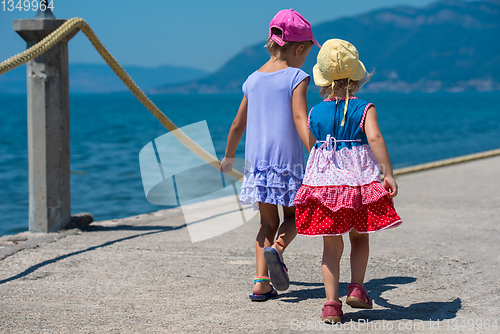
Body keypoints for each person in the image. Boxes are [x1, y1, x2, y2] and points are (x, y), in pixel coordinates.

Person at [292, 39, 402, 322]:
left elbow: (314, 143)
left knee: (331, 245)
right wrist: (387, 172)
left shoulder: (316, 112)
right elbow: (375, 138)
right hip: (357, 182)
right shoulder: (365, 108)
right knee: (359, 235)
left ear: (323, 79)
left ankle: (331, 304)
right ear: (357, 77)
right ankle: (356, 288)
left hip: (325, 185)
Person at [220, 9, 320, 301]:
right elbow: (301, 120)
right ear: (299, 48)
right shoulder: (296, 77)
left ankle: (261, 282)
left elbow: (238, 124)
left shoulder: (252, 79)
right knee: (297, 215)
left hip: (258, 166)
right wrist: (316, 153)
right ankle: (277, 249)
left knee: (266, 222)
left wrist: (228, 156)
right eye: (307, 53)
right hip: (287, 164)